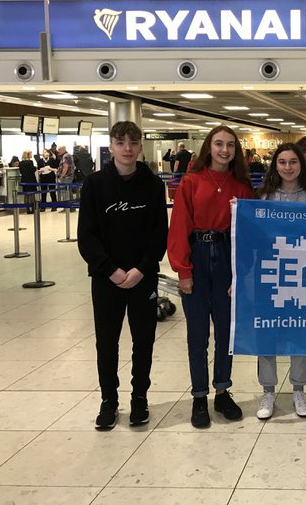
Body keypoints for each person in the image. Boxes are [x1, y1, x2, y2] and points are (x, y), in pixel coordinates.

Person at [77, 121, 168, 430]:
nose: (127, 148)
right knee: (107, 342)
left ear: (140, 146)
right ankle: (109, 401)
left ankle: (139, 398)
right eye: (121, 142)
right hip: (107, 280)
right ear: (112, 146)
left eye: (133, 142)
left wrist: (141, 268)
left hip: (144, 277)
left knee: (144, 342)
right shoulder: (94, 184)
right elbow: (87, 237)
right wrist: (111, 270)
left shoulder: (154, 185)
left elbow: (159, 233)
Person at [168, 125, 254, 428]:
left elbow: (249, 234)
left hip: (227, 258)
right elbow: (179, 227)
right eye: (219, 144)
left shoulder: (242, 186)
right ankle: (199, 396)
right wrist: (183, 271)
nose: (225, 150)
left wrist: (240, 275)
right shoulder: (191, 182)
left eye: (230, 145)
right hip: (198, 256)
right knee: (197, 335)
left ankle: (222, 390)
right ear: (209, 147)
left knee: (225, 334)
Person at [255, 143, 306, 420]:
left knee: (299, 333)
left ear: (301, 165)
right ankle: (268, 390)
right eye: (282, 162)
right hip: (270, 277)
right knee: (267, 334)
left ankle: (299, 388)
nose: (287, 167)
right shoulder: (263, 200)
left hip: (302, 279)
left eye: (293, 162)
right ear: (275, 166)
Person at [56, 145, 75, 211]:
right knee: (69, 192)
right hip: (69, 176)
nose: (58, 151)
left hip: (66, 177)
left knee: (65, 192)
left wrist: (62, 175)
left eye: (59, 150)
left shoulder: (65, 156)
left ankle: (66, 208)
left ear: (63, 149)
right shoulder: (68, 155)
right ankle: (71, 208)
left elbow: (65, 167)